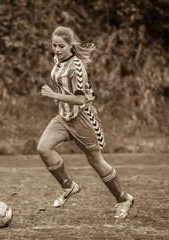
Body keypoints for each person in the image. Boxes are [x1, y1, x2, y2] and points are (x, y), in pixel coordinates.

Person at [37, 26, 134, 219]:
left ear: (70, 45)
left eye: (61, 46)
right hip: (64, 117)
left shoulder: (77, 67)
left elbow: (80, 99)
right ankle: (68, 186)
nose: (56, 49)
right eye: (54, 45)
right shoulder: (58, 60)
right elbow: (64, 85)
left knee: (95, 161)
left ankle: (123, 199)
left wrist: (53, 94)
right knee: (43, 148)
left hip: (83, 118)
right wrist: (59, 97)